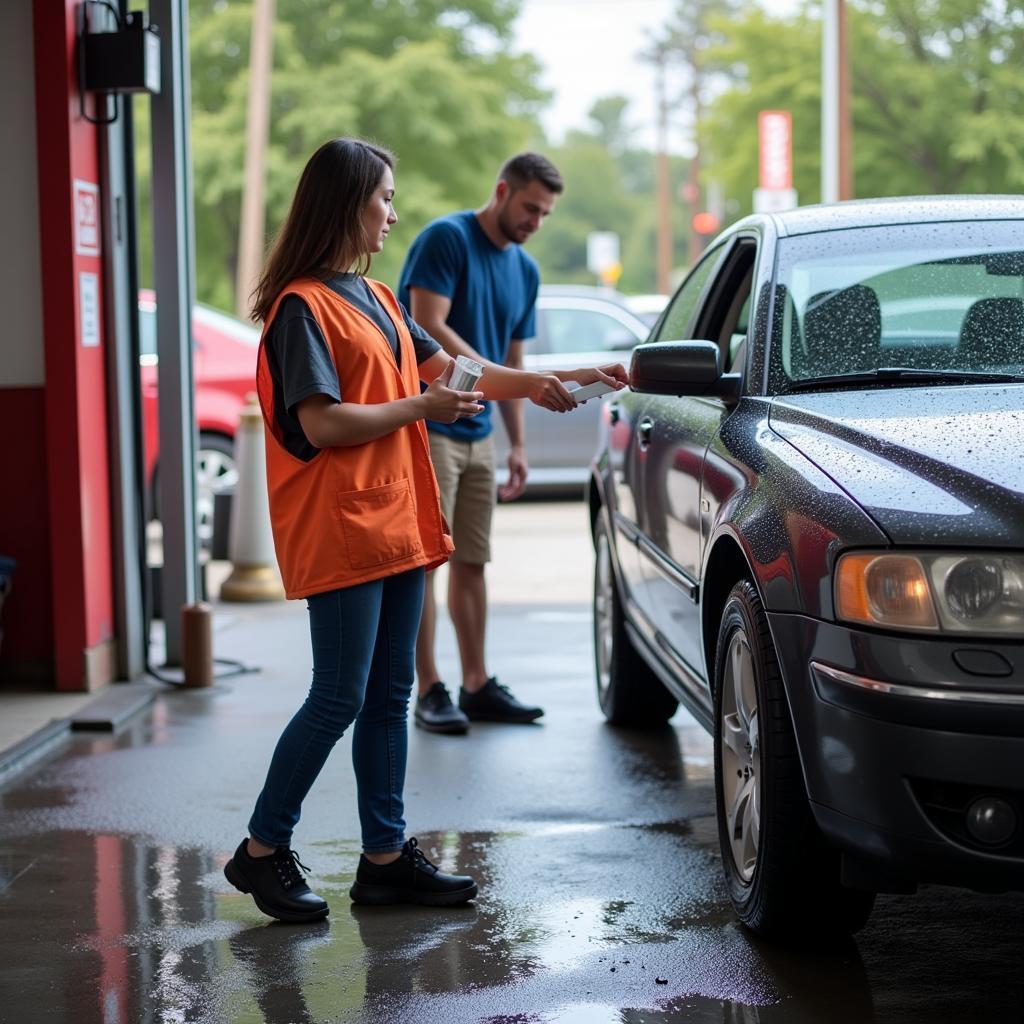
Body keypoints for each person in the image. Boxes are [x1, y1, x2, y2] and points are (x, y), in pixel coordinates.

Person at [222, 137, 627, 923]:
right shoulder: (302, 307)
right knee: (338, 696)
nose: (393, 214)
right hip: (343, 531)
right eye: (382, 199)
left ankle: (385, 862)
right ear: (346, 204)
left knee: (389, 694)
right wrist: (419, 410)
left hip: (398, 524)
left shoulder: (373, 298)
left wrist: (559, 379)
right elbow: (324, 421)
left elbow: (453, 369)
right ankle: (261, 851)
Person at [398, 152, 569, 734]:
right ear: (501, 190)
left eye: (545, 214)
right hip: (431, 426)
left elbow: (517, 360)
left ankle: (475, 684)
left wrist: (517, 443)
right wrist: (498, 376)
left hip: (480, 433)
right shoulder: (446, 239)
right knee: (427, 564)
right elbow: (429, 327)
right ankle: (429, 689)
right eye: (529, 208)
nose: (535, 222)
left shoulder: (525, 269)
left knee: (473, 561)